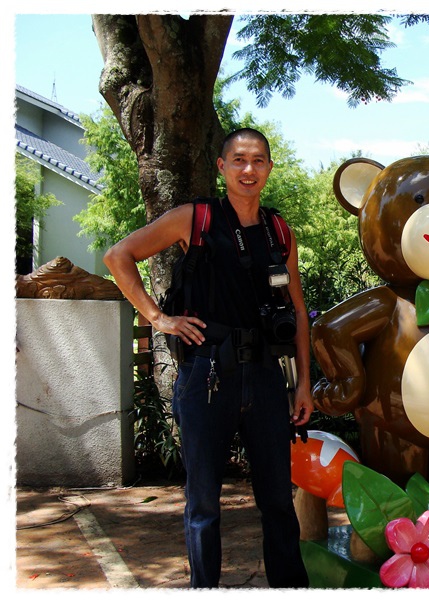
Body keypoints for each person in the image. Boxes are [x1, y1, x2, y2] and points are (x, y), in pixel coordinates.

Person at [104, 128, 312, 588]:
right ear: (222, 167)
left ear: (269, 168)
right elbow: (119, 256)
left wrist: (302, 384)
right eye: (238, 159)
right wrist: (159, 318)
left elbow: (297, 310)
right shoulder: (193, 218)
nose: (248, 169)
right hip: (207, 374)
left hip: (263, 375)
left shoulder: (279, 231)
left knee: (278, 500)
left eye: (258, 161)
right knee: (203, 504)